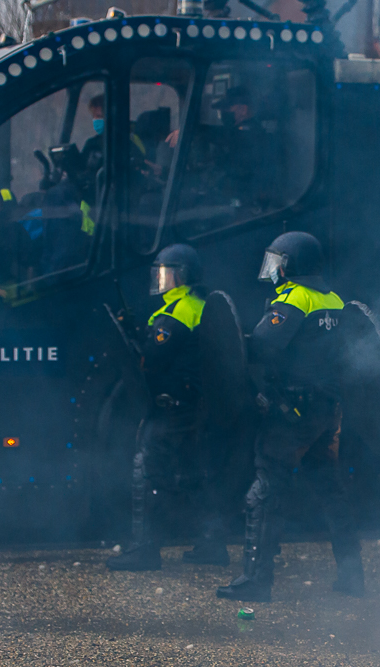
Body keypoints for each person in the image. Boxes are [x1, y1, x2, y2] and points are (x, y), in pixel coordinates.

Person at [216, 231, 364, 602]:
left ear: (291, 265)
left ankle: (256, 580)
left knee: (266, 486)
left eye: (277, 262)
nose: (274, 270)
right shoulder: (333, 299)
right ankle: (352, 575)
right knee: (331, 489)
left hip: (293, 413)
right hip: (326, 410)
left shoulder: (294, 298)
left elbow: (264, 344)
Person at [107, 244, 229, 571]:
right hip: (199, 407)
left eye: (167, 272)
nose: (161, 280)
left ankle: (145, 549)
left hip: (174, 410)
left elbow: (153, 360)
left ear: (182, 275)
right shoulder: (203, 305)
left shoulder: (175, 313)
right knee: (195, 475)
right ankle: (212, 543)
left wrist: (135, 340)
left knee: (148, 472)